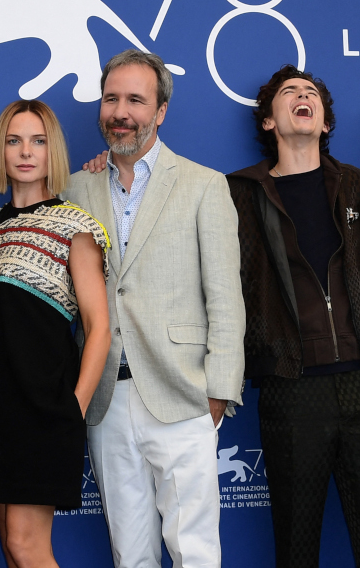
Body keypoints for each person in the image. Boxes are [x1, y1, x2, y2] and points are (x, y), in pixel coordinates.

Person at [65, 49, 245, 568]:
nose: (121, 111)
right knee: (130, 552)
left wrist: (218, 391)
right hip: (104, 398)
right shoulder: (74, 188)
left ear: (161, 111)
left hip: (183, 394)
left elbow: (225, 298)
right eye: (111, 98)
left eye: (136, 100)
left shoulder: (204, 185)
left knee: (195, 552)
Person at [226, 65, 360, 568]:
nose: (302, 97)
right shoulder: (240, 193)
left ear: (325, 122)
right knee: (296, 545)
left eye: (311, 94)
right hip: (290, 384)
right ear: (268, 122)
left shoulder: (357, 186)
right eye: (289, 93)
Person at [0, 100, 110, 568]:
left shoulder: (74, 226)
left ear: (52, 150)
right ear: (0, 151)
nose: (25, 152)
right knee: (8, 544)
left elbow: (99, 326)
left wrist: (73, 408)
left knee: (27, 546)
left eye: (38, 141)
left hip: (42, 412)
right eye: (13, 140)